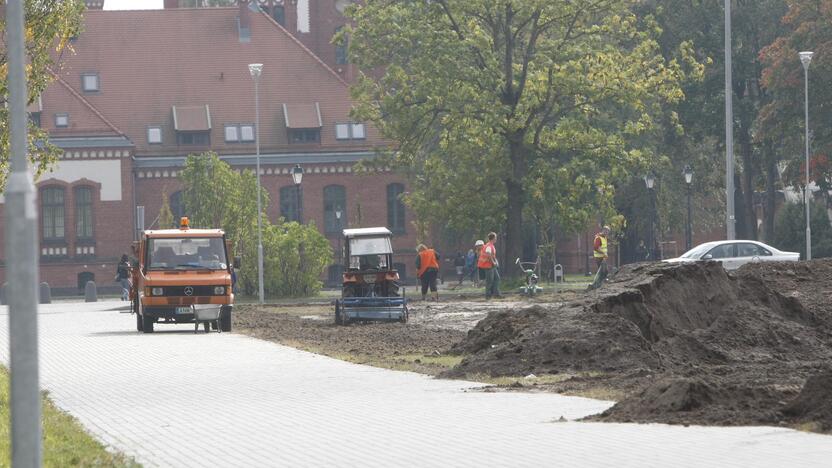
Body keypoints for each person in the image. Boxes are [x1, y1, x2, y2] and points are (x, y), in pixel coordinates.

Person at [478, 232, 501, 299]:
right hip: (488, 266)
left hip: (491, 266)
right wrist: (493, 262)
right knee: (489, 281)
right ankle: (488, 295)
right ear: (493, 238)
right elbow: (488, 255)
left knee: (497, 279)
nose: (496, 239)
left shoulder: (491, 245)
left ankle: (496, 294)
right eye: (495, 237)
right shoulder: (489, 246)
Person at [588, 226, 610, 291]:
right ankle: (596, 285)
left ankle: (599, 285)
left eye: (608, 232)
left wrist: (605, 254)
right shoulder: (598, 238)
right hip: (599, 257)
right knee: (603, 271)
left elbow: (603, 247)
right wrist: (604, 253)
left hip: (603, 257)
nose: (607, 233)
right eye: (606, 231)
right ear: (603, 230)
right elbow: (596, 248)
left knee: (603, 272)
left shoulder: (604, 238)